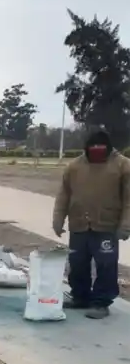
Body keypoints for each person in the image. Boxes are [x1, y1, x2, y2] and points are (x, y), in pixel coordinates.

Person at [53, 128, 130, 319]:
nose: (96, 149)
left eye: (100, 147)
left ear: (108, 148)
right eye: (92, 146)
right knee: (77, 263)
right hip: (79, 224)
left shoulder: (123, 166)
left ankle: (101, 302)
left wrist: (125, 225)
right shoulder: (74, 167)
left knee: (105, 264)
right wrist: (58, 219)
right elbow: (64, 195)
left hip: (107, 226)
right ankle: (80, 296)